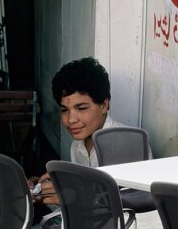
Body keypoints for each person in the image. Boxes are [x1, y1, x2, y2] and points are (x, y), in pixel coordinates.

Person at [28, 57, 130, 205]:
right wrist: (47, 187)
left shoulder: (127, 144)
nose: (71, 119)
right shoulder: (77, 145)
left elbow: (131, 207)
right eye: (64, 110)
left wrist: (72, 198)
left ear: (103, 105)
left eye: (81, 108)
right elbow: (87, 188)